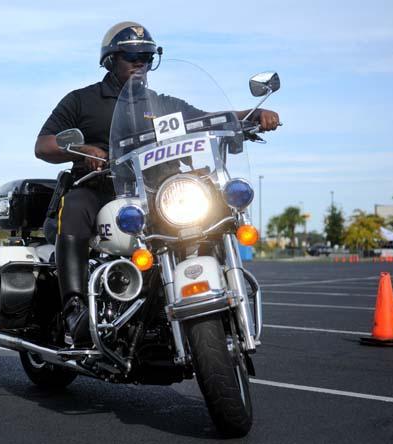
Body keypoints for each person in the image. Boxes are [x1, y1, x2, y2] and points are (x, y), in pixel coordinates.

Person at [35, 21, 280, 346]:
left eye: (147, 57)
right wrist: (84, 150)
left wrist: (249, 116)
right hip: (100, 188)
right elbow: (44, 144)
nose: (140, 64)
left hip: (154, 193)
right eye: (131, 57)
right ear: (110, 60)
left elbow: (207, 119)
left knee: (209, 203)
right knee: (76, 206)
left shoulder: (162, 105)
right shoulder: (82, 101)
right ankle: (75, 307)